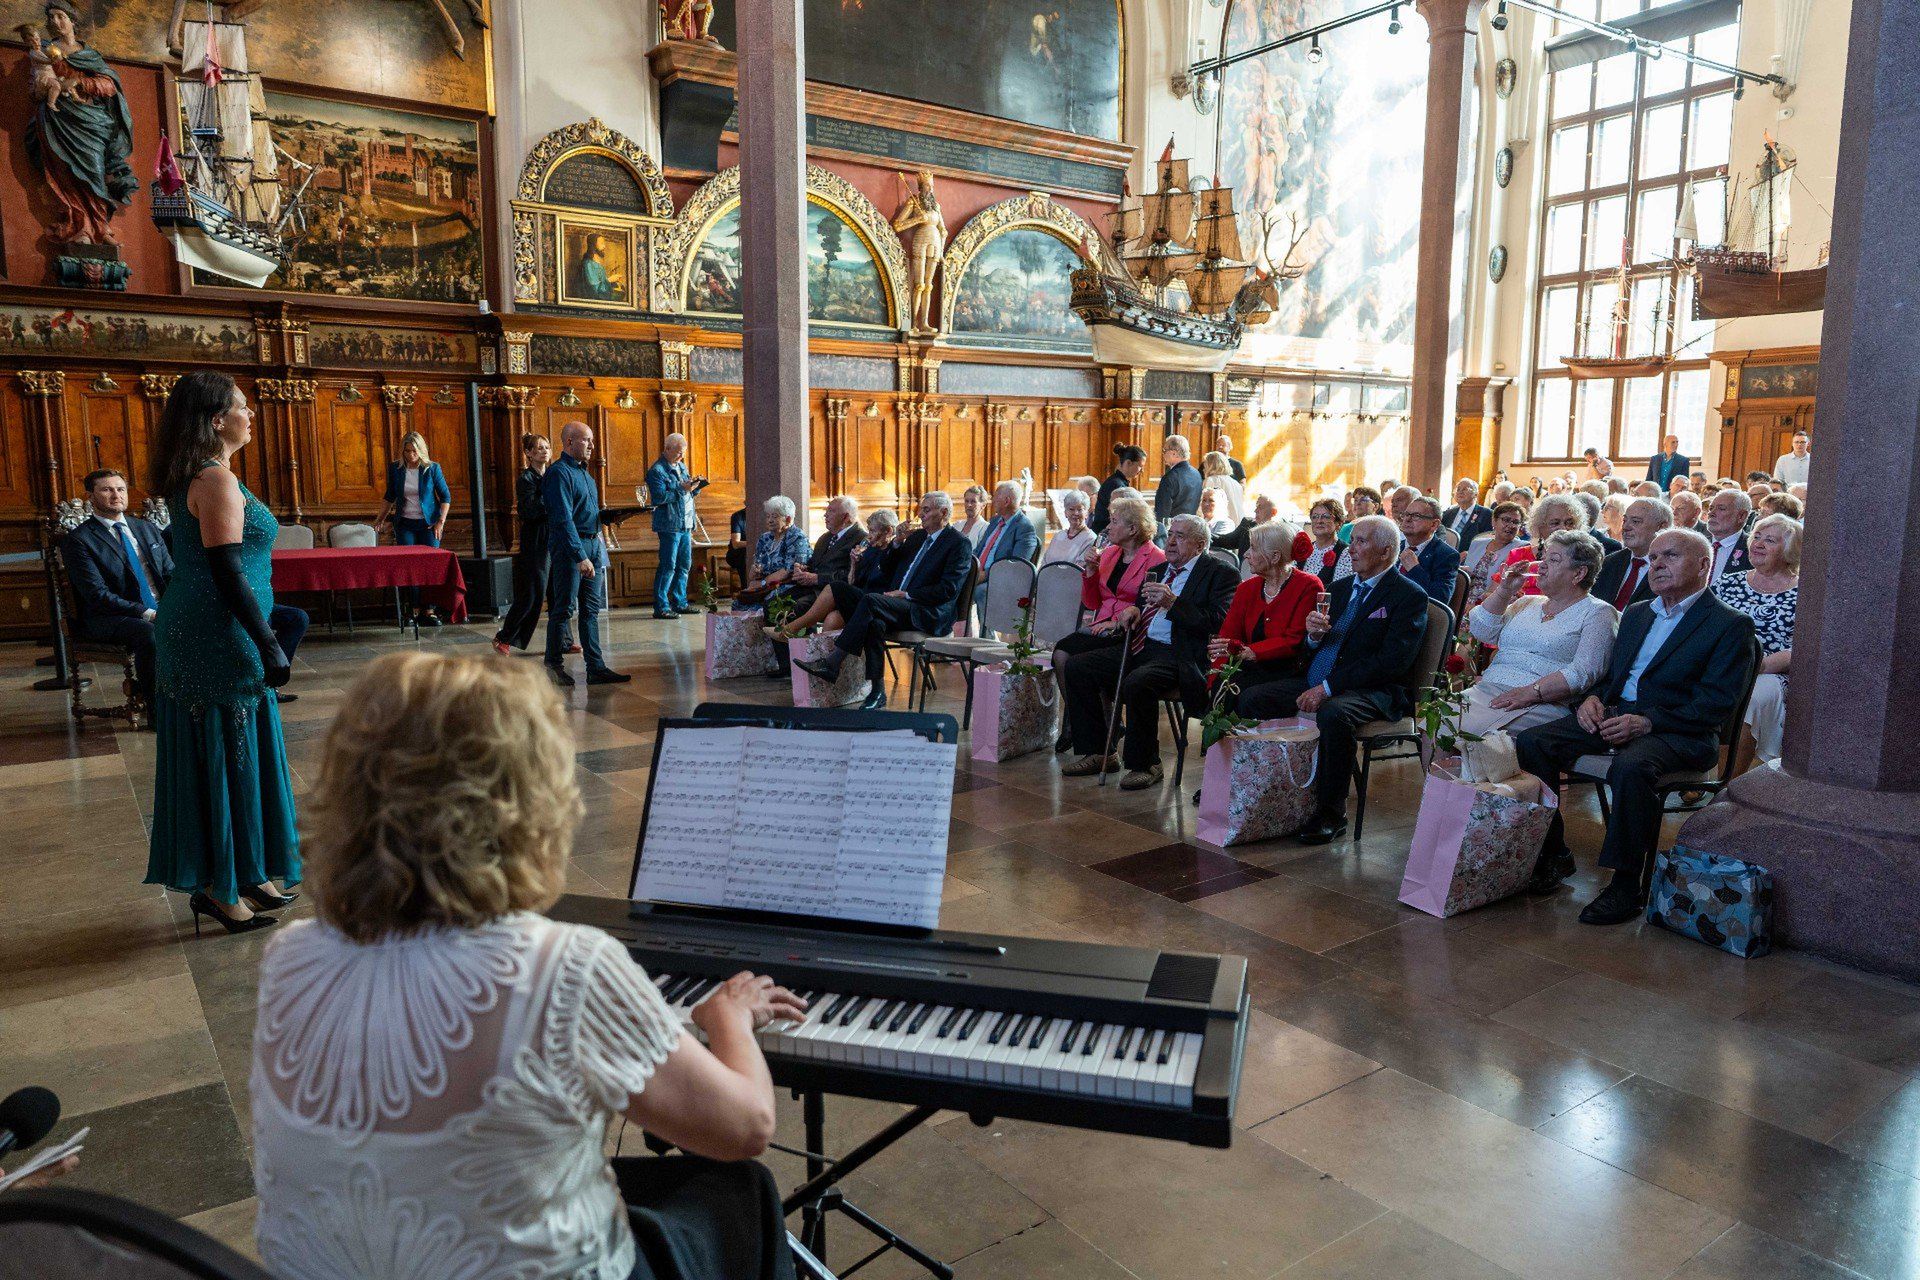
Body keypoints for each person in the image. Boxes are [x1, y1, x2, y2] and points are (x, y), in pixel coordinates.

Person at [252, 652, 803, 1280]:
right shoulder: (564, 968)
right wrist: (728, 1018)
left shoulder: (289, 956)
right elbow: (746, 1126)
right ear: (528, 801)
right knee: (741, 1189)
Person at [1516, 529, 1757, 925]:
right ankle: (1553, 851)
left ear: (1703, 565)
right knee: (1533, 742)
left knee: (1630, 767)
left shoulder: (1728, 624)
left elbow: (1716, 705)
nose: (1658, 564)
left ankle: (1626, 885)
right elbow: (1610, 674)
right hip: (1618, 714)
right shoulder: (1638, 612)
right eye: (1654, 557)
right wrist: (1589, 700)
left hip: (1682, 731)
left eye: (1671, 557)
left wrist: (1648, 722)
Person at [143, 371, 300, 935]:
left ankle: (248, 871)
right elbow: (229, 572)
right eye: (241, 407)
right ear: (216, 419)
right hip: (218, 628)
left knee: (241, 744)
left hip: (210, 623)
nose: (251, 414)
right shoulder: (214, 480)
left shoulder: (210, 475)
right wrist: (269, 641)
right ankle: (217, 887)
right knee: (226, 749)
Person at [1238, 516, 1430, 843]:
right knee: (1252, 697)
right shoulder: (1338, 589)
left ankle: (1331, 812)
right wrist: (1313, 636)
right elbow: (1313, 645)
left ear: (1386, 552)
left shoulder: (1407, 596)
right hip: (1317, 678)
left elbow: (1391, 662)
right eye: (1352, 540)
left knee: (1334, 714)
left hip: (1372, 689)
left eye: (1361, 542)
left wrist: (1327, 689)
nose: (1351, 548)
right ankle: (1264, 789)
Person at [1059, 514, 1237, 790]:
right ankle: (1099, 751)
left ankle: (1147, 764)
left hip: (1180, 654)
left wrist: (1173, 603)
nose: (1172, 541)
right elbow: (1145, 605)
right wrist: (1134, 610)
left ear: (1200, 543)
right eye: (1172, 534)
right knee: (1078, 666)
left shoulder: (1220, 572)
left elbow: (1217, 621)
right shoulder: (1163, 568)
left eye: (1181, 536)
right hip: (1142, 645)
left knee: (1137, 682)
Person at [792, 492, 971, 710]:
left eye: (926, 510)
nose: (920, 515)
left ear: (943, 513)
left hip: (927, 611)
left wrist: (906, 595)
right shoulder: (916, 538)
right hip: (897, 604)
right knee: (849, 597)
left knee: (871, 602)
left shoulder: (958, 543)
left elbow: (948, 590)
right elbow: (888, 568)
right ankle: (878, 692)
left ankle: (833, 662)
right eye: (921, 510)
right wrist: (895, 542)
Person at [1460, 531, 1617, 737]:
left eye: (1553, 560)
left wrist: (1531, 692)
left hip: (1543, 701)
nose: (1541, 565)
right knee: (1435, 722)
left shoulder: (1598, 612)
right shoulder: (1528, 602)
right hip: (1490, 689)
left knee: (1467, 732)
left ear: (1578, 574)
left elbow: (1584, 671)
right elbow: (1482, 631)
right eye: (1543, 558)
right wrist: (1504, 590)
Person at [1049, 495, 1165, 751]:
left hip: (1129, 630)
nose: (1108, 527)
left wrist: (1115, 623)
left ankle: (1090, 727)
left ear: (1133, 529)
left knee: (1084, 663)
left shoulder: (1156, 559)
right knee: (1061, 653)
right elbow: (1092, 602)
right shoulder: (1110, 554)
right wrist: (1090, 572)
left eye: (1114, 522)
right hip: (1100, 624)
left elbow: (1147, 608)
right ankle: (1092, 721)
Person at [62, 466, 173, 707]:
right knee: (148, 631)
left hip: (159, 606)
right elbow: (97, 595)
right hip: (110, 617)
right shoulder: (80, 540)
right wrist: (147, 613)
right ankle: (158, 710)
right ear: (90, 497)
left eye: (121, 489)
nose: (116, 495)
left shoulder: (146, 528)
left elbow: (170, 574)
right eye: (107, 490)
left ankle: (194, 701)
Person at [543, 421, 629, 687]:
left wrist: (612, 517)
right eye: (586, 440)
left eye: (592, 440)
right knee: (564, 609)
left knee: (591, 611)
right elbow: (563, 519)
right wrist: (580, 556)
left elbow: (587, 513)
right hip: (572, 548)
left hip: (593, 544)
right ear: (569, 442)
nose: (592, 445)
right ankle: (553, 666)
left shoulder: (587, 476)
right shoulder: (558, 474)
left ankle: (596, 667)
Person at [1712, 513, 1800, 766]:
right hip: (1724, 665)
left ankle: (1729, 780)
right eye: (1757, 536)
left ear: (1789, 550)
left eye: (1770, 540)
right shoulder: (1728, 583)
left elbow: (1806, 647)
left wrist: (1757, 666)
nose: (1758, 543)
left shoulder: (1805, 591)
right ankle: (1698, 769)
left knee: (1754, 696)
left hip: (1773, 671)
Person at [1211, 521, 1321, 711]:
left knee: (1247, 696)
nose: (1245, 554)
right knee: (1222, 687)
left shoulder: (1308, 585)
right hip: (1250, 667)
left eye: (1253, 548)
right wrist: (1215, 677)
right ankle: (1225, 742)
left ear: (1275, 556)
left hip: (1289, 670)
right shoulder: (1247, 588)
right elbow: (1227, 638)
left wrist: (1251, 651)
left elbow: (1294, 640)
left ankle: (1251, 741)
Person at [494, 434, 570, 656]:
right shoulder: (526, 479)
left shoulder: (554, 475)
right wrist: (553, 498)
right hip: (536, 537)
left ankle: (563, 641)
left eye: (547, 447)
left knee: (559, 590)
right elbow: (530, 511)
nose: (544, 451)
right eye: (538, 448)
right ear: (528, 453)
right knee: (534, 592)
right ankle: (504, 637)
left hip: (556, 535)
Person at [375, 430, 452, 626]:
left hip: (429, 525)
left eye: (414, 451)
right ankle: (412, 610)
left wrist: (440, 522)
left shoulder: (432, 468)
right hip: (405, 524)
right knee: (409, 567)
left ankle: (429, 610)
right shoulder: (396, 469)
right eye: (407, 451)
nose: (411, 455)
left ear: (421, 451)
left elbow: (445, 497)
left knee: (430, 567)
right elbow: (389, 497)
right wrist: (380, 519)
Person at [645, 432, 701, 619]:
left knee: (684, 564)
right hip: (669, 524)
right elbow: (659, 498)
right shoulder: (657, 471)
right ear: (667, 449)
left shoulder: (682, 466)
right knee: (668, 565)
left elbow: (687, 494)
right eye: (678, 452)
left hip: (686, 523)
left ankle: (680, 602)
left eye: (683, 452)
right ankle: (661, 606)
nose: (681, 456)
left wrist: (695, 486)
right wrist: (681, 489)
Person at [974, 479, 1040, 627]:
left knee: (980, 591)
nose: (992, 502)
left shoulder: (1024, 527)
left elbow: (1016, 564)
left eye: (995, 498)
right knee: (952, 584)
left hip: (1004, 580)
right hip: (979, 573)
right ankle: (958, 636)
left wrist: (986, 574)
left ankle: (987, 640)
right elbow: (980, 549)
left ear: (1006, 501)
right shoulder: (995, 521)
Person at [784, 494, 865, 613]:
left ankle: (791, 631)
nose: (825, 515)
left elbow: (852, 575)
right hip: (811, 588)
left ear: (846, 517)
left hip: (832, 593)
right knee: (772, 603)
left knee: (796, 606)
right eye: (826, 511)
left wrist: (817, 578)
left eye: (831, 511)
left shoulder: (861, 539)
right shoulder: (825, 538)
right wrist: (803, 569)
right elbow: (814, 564)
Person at [1592, 497, 1673, 610]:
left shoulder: (1672, 570)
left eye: (1635, 521)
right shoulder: (1609, 562)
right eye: (1625, 520)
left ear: (1661, 526)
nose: (1625, 527)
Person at [1502, 493, 1587, 596]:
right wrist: (1508, 596)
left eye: (1570, 523)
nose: (1563, 528)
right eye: (1555, 523)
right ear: (1540, 527)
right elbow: (1496, 593)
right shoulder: (1518, 556)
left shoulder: (1584, 560)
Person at [734, 496, 810, 608]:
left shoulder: (797, 537)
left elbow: (788, 571)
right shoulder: (765, 538)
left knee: (761, 606)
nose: (769, 520)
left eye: (774, 516)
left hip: (788, 585)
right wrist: (755, 572)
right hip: (766, 586)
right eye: (768, 516)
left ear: (788, 519)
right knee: (738, 603)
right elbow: (754, 570)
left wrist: (763, 583)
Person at [1459, 500, 1526, 621]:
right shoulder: (1477, 543)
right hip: (1463, 597)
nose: (1510, 525)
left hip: (1489, 604)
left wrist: (1476, 605)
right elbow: (1466, 576)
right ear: (1494, 521)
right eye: (1505, 520)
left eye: (1516, 522)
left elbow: (1503, 587)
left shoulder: (1520, 548)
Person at [1394, 493, 1461, 602]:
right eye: (1406, 514)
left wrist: (1414, 569)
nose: (1407, 520)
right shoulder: (1394, 547)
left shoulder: (1447, 555)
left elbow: (1440, 599)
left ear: (1434, 524)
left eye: (1416, 516)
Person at [1091, 444, 1146, 536]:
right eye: (1141, 466)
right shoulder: (1116, 485)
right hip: (1105, 533)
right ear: (1128, 463)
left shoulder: (1117, 481)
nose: (1142, 471)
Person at [1705, 488, 1753, 584]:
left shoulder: (1752, 549)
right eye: (1711, 508)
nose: (1711, 513)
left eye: (1721, 509)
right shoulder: (1698, 545)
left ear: (1741, 516)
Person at [1299, 498, 1351, 584]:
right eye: (1315, 517)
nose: (1319, 521)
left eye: (1326, 517)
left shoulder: (1345, 553)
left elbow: (1339, 589)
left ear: (1338, 523)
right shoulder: (1303, 551)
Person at [1154, 435, 1202, 529]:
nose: (1163, 454)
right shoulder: (1196, 474)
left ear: (1174, 453)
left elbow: (1162, 511)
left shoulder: (1170, 477)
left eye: (1164, 451)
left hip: (1173, 529)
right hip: (1191, 527)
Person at [1042, 489, 1098, 568]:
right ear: (1065, 513)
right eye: (1071, 509)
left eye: (1080, 509)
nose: (1075, 513)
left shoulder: (1090, 539)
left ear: (1086, 513)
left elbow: (1078, 570)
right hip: (1047, 578)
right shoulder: (1058, 536)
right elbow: (1044, 562)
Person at [1441, 478, 1493, 546]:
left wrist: (1470, 552)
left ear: (1475, 494)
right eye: (1458, 489)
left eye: (1465, 489)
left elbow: (1487, 542)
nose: (1460, 492)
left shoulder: (1487, 514)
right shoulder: (1447, 514)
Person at [1200, 451, 1246, 524]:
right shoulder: (1235, 483)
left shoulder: (1211, 480)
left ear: (1211, 465)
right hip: (1238, 523)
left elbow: (1206, 507)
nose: (1203, 468)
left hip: (1220, 525)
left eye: (1205, 464)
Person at [956, 485, 990, 550]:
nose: (969, 505)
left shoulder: (986, 528)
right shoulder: (957, 525)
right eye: (966, 501)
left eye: (973, 501)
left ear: (983, 505)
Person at [725, 507, 749, 587]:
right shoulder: (738, 516)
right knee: (745, 554)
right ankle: (746, 589)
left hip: (754, 553)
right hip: (736, 555)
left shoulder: (763, 515)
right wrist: (754, 543)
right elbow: (735, 544)